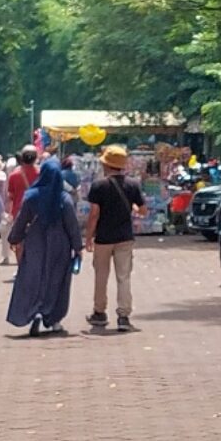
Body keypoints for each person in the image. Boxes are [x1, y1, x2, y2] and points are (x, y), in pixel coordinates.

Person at [6, 156, 82, 336]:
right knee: (57, 282)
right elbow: (72, 225)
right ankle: (53, 318)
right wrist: (77, 247)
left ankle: (34, 312)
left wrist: (14, 239)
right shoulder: (64, 199)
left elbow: (21, 220)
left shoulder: (32, 196)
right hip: (60, 246)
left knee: (33, 280)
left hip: (35, 244)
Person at [83, 143, 148, 333]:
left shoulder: (98, 186)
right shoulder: (132, 185)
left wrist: (89, 237)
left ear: (107, 165)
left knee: (101, 276)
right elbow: (143, 210)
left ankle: (99, 312)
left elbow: (94, 214)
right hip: (125, 238)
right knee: (124, 277)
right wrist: (133, 207)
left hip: (104, 238)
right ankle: (124, 316)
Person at [5, 146, 41, 267]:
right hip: (37, 212)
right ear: (36, 158)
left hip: (18, 212)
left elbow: (10, 197)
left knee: (19, 242)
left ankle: (22, 268)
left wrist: (9, 213)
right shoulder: (41, 173)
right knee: (37, 240)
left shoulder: (14, 175)